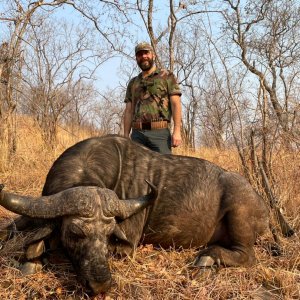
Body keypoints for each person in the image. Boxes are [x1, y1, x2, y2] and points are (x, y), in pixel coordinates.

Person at [124, 42, 182, 154]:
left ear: (153, 55)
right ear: (136, 58)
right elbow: (128, 111)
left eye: (146, 53)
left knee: (164, 170)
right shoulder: (133, 83)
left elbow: (176, 104)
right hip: (137, 135)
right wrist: (126, 136)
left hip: (160, 133)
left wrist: (177, 131)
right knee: (137, 170)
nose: (143, 56)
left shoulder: (167, 76)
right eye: (139, 54)